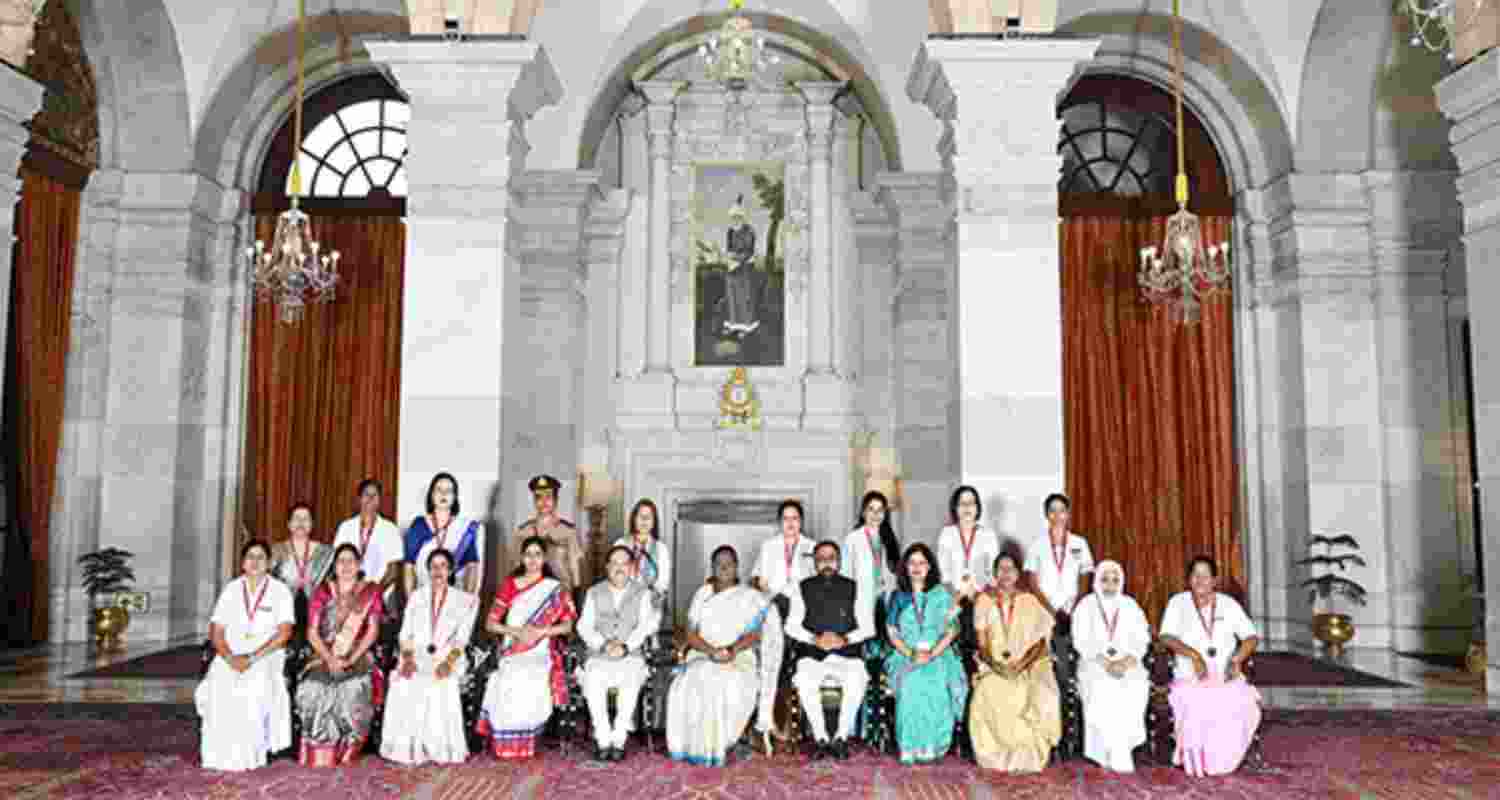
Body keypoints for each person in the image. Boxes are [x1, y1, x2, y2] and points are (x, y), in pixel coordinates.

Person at [667, 545, 784, 767]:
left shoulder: (750, 597)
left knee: (724, 681)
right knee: (689, 681)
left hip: (739, 656)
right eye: (719, 563)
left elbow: (755, 634)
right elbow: (690, 634)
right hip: (703, 653)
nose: (724, 567)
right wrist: (712, 651)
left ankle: (723, 742)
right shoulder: (702, 594)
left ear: (737, 567)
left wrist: (731, 650)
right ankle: (692, 747)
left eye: (729, 563)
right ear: (711, 567)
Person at [196, 539, 295, 771]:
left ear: (268, 563)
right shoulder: (231, 589)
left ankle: (249, 756)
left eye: (261, 557)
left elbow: (284, 634)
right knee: (219, 686)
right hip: (230, 655)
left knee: (252, 687)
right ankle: (217, 755)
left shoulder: (280, 591)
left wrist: (251, 658)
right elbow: (216, 632)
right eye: (250, 557)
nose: (255, 562)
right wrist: (230, 658)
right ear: (242, 563)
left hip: (266, 655)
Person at [1159, 555, 1262, 777]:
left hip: (1225, 673)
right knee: (1198, 701)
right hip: (1190, 674)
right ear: (1188, 579)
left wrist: (1237, 659)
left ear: (1215, 580)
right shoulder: (1178, 603)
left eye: (1205, 576)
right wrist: (1193, 655)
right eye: (1195, 575)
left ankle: (1223, 760)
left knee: (1240, 702)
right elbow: (1166, 636)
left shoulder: (1228, 604)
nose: (1200, 580)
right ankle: (1200, 760)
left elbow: (1251, 637)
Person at [478, 535, 578, 759]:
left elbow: (568, 626)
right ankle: (505, 741)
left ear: (544, 558)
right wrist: (517, 632)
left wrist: (541, 632)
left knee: (532, 676)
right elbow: (490, 623)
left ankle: (527, 740)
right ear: (522, 558)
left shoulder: (555, 588)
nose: (532, 560)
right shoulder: (510, 585)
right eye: (528, 555)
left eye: (537, 555)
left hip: (541, 650)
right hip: (513, 649)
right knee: (506, 678)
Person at [381, 548, 480, 765]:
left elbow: (461, 640)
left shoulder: (466, 601)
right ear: (427, 571)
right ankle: (407, 749)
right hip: (416, 655)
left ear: (451, 570)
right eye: (434, 566)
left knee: (441, 683)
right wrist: (408, 660)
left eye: (443, 566)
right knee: (404, 682)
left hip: (448, 657)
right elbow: (405, 634)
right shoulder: (416, 596)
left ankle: (439, 749)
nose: (438, 571)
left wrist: (448, 663)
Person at [968, 551, 1060, 773]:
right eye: (1001, 568)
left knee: (1034, 692)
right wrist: (997, 666)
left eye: (1011, 569)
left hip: (1027, 664)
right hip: (994, 664)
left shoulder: (1030, 601)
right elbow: (982, 646)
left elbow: (1040, 642)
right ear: (994, 573)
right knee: (987, 689)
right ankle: (995, 758)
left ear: (1018, 574)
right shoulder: (983, 601)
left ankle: (1026, 758)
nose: (1006, 573)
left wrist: (1021, 665)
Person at [296, 543, 385, 766]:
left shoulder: (370, 592)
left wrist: (350, 659)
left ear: (359, 565)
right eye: (341, 561)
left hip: (358, 654)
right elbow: (312, 633)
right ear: (334, 566)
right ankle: (318, 746)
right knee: (313, 687)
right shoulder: (322, 591)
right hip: (324, 653)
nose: (346, 566)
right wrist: (329, 659)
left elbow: (372, 632)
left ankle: (350, 744)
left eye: (351, 561)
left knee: (351, 687)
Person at [785, 540, 872, 760]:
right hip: (813, 655)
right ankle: (821, 739)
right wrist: (814, 639)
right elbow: (791, 626)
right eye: (821, 559)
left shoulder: (854, 587)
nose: (826, 563)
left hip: (847, 654)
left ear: (839, 561)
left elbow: (868, 627)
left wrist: (845, 639)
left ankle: (841, 737)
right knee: (804, 678)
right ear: (814, 562)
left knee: (858, 677)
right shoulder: (802, 587)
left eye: (831, 558)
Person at [884, 542, 967, 765]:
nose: (917, 567)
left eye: (922, 563)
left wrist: (932, 653)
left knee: (935, 681)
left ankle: (932, 743)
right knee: (911, 683)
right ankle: (909, 744)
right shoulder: (898, 596)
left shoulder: (941, 594)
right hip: (906, 654)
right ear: (905, 567)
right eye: (912, 563)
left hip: (938, 653)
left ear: (930, 567)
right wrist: (912, 654)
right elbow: (892, 632)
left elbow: (952, 630)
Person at [576, 545, 662, 761]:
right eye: (614, 563)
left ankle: (619, 738)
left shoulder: (642, 593)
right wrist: (603, 645)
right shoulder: (594, 592)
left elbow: (646, 626)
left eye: (624, 563)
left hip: (630, 654)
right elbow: (584, 626)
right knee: (594, 678)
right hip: (600, 654)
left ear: (631, 567)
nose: (619, 568)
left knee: (631, 678)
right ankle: (603, 738)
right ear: (607, 567)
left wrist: (626, 646)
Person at [1071, 559, 1150, 772]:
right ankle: (1105, 751)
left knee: (1134, 686)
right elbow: (1080, 641)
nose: (1110, 585)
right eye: (1105, 579)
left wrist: (1126, 662)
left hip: (1127, 664)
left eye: (1115, 580)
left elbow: (1142, 639)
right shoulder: (1085, 605)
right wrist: (1106, 663)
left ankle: (1120, 750)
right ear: (1097, 581)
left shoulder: (1130, 605)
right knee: (1103, 686)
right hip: (1094, 663)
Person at [403, 472, 484, 595]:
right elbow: (409, 565)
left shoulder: (465, 528)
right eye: (439, 489)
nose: (443, 494)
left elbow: (472, 566)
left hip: (455, 594)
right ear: (431, 495)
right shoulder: (419, 525)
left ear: (455, 497)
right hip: (424, 594)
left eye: (449, 490)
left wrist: (468, 601)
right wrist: (411, 600)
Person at [1022, 493, 1095, 628]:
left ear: (1067, 514)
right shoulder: (1036, 545)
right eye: (1052, 511)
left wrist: (1074, 610)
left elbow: (1086, 578)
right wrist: (1051, 612)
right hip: (1044, 611)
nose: (1057, 516)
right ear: (1046, 515)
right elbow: (1032, 583)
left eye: (1062, 511)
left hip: (1073, 610)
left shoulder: (1080, 543)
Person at [842, 490, 901, 641]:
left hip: (885, 597)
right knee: (865, 640)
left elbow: (895, 572)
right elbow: (846, 574)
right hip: (863, 599)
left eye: (880, 510)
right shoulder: (853, 539)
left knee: (886, 641)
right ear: (863, 512)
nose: (875, 514)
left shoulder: (889, 538)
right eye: (871, 509)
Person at [331, 478, 404, 598]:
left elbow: (393, 569)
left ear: (379, 500)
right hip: (347, 593)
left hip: (380, 594)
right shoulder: (345, 527)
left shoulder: (391, 530)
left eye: (374, 495)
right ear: (359, 498)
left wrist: (373, 594)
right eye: (366, 494)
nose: (370, 498)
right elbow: (336, 562)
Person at [513, 474, 586, 591]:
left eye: (548, 497)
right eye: (538, 497)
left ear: (556, 500)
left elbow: (574, 565)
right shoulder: (523, 531)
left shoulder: (567, 531)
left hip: (561, 591)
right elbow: (517, 566)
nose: (543, 502)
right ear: (534, 501)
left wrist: (577, 592)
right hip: (531, 592)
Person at [750, 498, 816, 621]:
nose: (790, 523)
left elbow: (817, 579)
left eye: (794, 518)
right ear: (779, 522)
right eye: (785, 518)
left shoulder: (812, 546)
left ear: (801, 521)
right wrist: (763, 588)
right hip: (773, 603)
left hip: (802, 605)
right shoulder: (768, 546)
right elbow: (756, 577)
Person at [271, 503, 333, 626]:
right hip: (282, 614)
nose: (301, 522)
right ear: (289, 524)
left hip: (317, 616)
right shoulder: (276, 551)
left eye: (305, 519)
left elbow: (332, 587)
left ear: (312, 524)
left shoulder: (326, 553)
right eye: (296, 518)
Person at [615, 498, 671, 603]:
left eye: (648, 517)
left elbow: (663, 584)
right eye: (640, 516)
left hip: (649, 605)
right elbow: (614, 575)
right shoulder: (621, 544)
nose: (644, 520)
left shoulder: (661, 549)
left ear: (654, 522)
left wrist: (656, 595)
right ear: (634, 519)